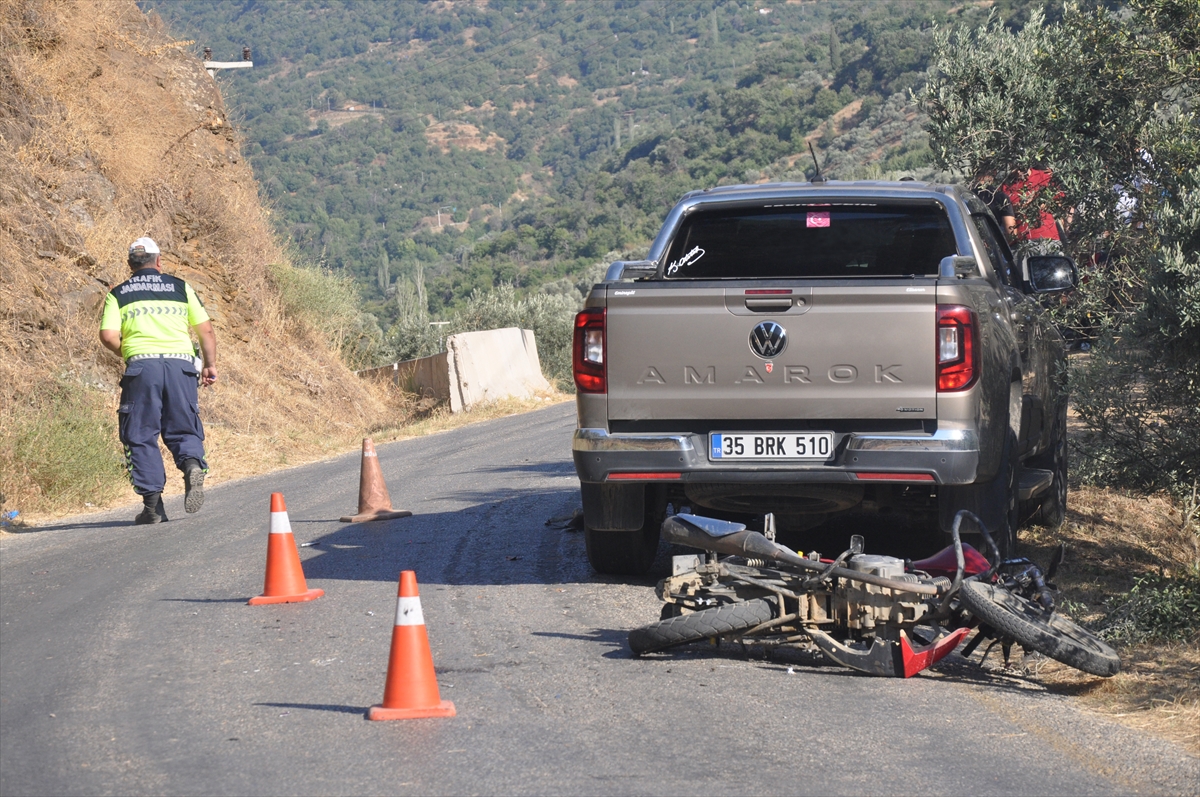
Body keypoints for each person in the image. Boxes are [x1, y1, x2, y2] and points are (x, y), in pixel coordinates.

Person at [99, 237, 217, 524]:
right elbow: (206, 331)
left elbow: (108, 336)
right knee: (184, 426)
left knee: (139, 433)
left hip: (142, 366)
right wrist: (210, 365)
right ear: (159, 262)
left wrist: (129, 352)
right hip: (181, 366)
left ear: (130, 264)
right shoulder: (180, 288)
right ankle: (191, 464)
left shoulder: (119, 293)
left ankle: (153, 507)